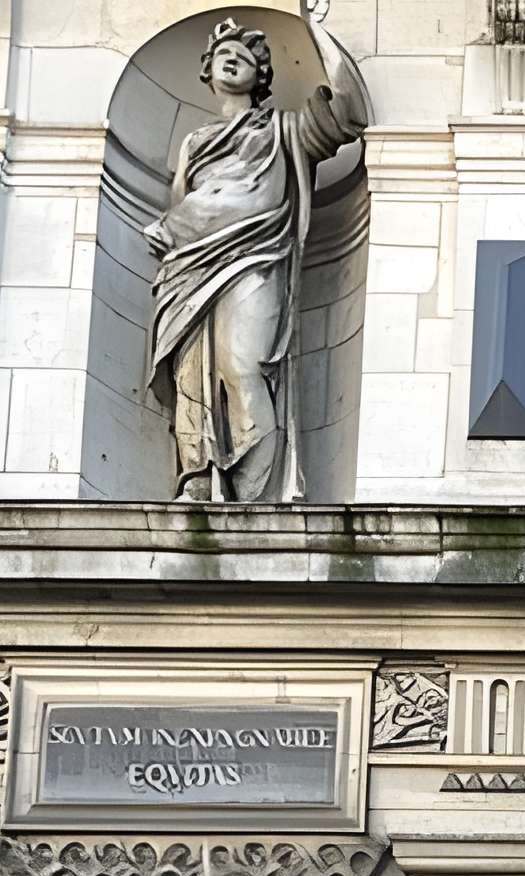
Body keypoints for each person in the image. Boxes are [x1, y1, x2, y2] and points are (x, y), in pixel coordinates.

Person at [142, 1, 370, 503]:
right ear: (207, 70)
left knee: (241, 364)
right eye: (222, 53)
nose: (230, 59)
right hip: (193, 270)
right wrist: (170, 234)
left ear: (260, 74)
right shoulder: (196, 142)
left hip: (256, 262)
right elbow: (184, 210)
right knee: (195, 371)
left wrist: (317, 30)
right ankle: (199, 477)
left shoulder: (283, 132)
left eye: (242, 56)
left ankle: (256, 494)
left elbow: (348, 112)